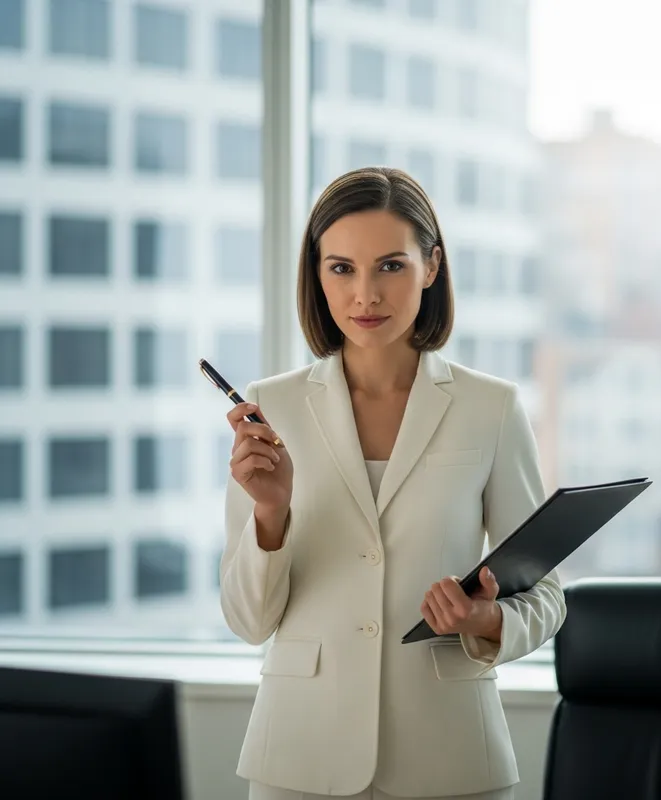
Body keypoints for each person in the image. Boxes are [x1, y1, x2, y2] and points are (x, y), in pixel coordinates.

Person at [220, 167, 567, 800]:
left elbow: (546, 595)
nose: (365, 296)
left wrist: (487, 618)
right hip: (300, 758)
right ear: (316, 274)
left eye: (390, 266)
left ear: (431, 266)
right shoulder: (272, 410)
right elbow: (248, 620)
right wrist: (271, 517)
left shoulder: (490, 408)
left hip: (453, 757)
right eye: (341, 268)